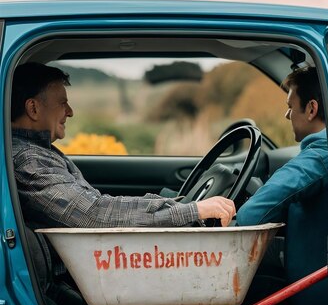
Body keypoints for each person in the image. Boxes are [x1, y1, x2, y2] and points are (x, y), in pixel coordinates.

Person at [11, 62, 235, 232]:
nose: (70, 112)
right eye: (62, 103)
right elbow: (94, 215)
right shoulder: (29, 160)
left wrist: (171, 205)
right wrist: (191, 211)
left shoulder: (39, 151)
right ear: (33, 108)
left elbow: (95, 205)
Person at [236, 65, 328, 305]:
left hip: (313, 301)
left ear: (312, 109)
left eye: (291, 106)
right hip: (311, 285)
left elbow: (250, 216)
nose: (287, 114)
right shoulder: (327, 151)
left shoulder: (319, 157)